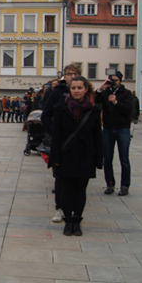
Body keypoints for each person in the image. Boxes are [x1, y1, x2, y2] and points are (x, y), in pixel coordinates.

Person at [49, 75, 103, 237]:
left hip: (85, 154)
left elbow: (97, 136)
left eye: (79, 88)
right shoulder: (61, 108)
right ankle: (68, 222)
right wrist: (55, 158)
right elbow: (56, 135)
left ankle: (77, 222)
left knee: (80, 190)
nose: (76, 91)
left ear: (86, 89)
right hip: (66, 155)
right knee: (66, 190)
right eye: (73, 88)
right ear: (70, 90)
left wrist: (98, 159)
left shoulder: (93, 109)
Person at [42, 65, 80, 223]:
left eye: (75, 74)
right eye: (69, 74)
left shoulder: (84, 94)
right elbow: (45, 115)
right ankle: (59, 208)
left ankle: (75, 211)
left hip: (79, 143)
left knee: (77, 179)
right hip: (61, 142)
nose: (71, 76)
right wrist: (54, 132)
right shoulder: (58, 92)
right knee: (59, 178)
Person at [95, 70, 133, 196]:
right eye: (111, 80)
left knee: (124, 159)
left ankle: (125, 185)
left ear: (121, 81)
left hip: (122, 129)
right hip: (108, 129)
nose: (113, 82)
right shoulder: (106, 92)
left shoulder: (126, 93)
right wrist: (101, 88)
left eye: (115, 80)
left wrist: (116, 103)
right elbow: (95, 101)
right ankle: (110, 184)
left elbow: (128, 110)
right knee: (107, 159)